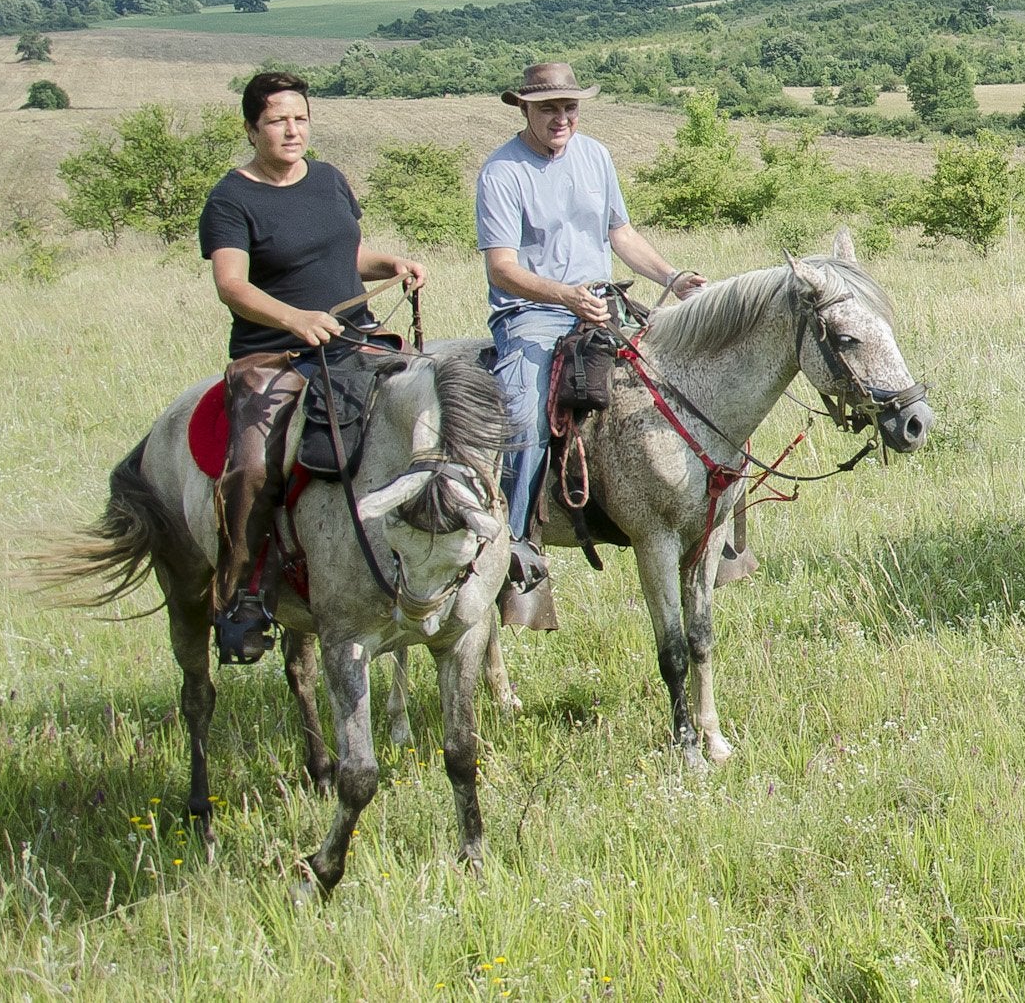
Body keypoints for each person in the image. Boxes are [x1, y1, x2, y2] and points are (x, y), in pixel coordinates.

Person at [198, 70, 426, 663]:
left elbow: (344, 251)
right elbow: (231, 285)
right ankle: (242, 596)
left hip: (355, 340)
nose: (291, 130)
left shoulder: (328, 180)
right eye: (277, 120)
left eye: (300, 118)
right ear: (252, 129)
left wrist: (390, 264)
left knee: (435, 410)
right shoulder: (231, 198)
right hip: (274, 354)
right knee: (251, 467)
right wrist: (295, 319)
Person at [475, 62, 706, 596]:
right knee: (525, 414)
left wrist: (672, 278)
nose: (561, 118)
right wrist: (565, 296)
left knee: (684, 378)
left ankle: (707, 516)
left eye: (569, 107)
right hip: (531, 314)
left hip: (602, 302)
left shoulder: (596, 155)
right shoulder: (502, 171)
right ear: (524, 109)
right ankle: (513, 541)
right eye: (549, 108)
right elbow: (501, 268)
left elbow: (619, 233)